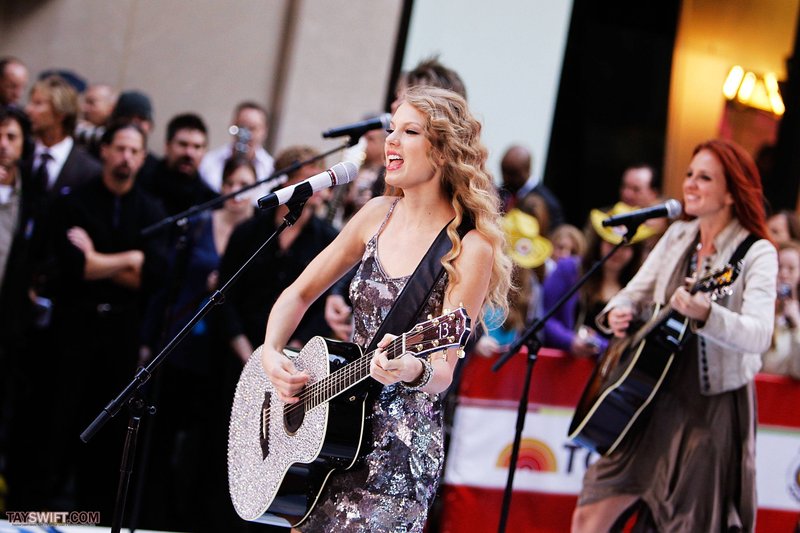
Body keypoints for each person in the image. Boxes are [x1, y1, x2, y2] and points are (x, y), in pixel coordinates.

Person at [260, 86, 511, 532]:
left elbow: (442, 371)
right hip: (328, 434)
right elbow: (299, 294)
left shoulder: (471, 247)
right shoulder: (376, 213)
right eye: (391, 130)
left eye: (408, 132)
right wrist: (271, 352)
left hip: (396, 454)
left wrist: (410, 368)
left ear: (442, 151)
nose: (390, 142)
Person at [571, 139, 777, 532]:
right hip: (648, 395)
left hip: (709, 405)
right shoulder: (678, 235)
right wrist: (617, 312)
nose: (691, 185)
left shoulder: (757, 252)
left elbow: (759, 335)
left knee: (687, 524)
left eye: (705, 178)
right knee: (591, 511)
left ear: (732, 192)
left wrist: (708, 314)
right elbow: (633, 292)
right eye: (689, 175)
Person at [45, 121, 167, 520]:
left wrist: (98, 260)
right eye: (120, 149)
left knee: (107, 436)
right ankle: (39, 519)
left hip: (120, 335)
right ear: (105, 151)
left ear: (143, 158)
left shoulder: (150, 210)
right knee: (57, 425)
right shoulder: (75, 202)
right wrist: (127, 259)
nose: (126, 158)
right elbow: (70, 268)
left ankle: (88, 522)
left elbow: (150, 277)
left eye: (134, 152)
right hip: (72, 330)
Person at [542, 204, 649, 358]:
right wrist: (570, 340)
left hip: (604, 375)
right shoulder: (570, 268)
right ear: (599, 242)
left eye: (625, 247)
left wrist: (599, 344)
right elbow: (543, 317)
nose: (616, 251)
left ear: (635, 251)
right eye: (610, 243)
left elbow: (633, 344)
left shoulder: (638, 288)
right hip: (560, 364)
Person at [199, 100, 274, 193]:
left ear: (264, 131)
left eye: (252, 128)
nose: (245, 134)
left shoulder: (271, 169)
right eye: (241, 127)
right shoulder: (209, 162)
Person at [499, 144, 565, 234]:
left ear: (528, 169)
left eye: (512, 173)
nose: (506, 178)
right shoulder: (499, 193)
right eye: (503, 171)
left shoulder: (549, 204)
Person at [761, 240, 800, 379]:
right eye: (779, 267)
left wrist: (796, 326)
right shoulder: (760, 308)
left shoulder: (797, 317)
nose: (784, 274)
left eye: (791, 268)